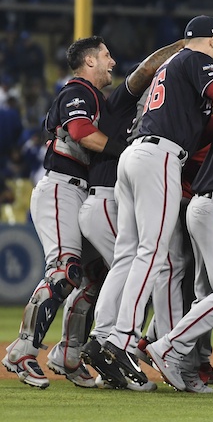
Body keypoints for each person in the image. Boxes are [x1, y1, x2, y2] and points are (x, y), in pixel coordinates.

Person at [98, 15, 213, 386]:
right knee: (152, 250)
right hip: (158, 157)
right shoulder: (196, 58)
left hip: (136, 155)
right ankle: (122, 340)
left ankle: (104, 335)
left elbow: (204, 127)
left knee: (129, 252)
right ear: (211, 41)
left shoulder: (172, 66)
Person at [2, 36, 127, 389]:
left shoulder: (96, 97)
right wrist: (123, 149)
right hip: (61, 186)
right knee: (64, 271)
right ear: (89, 61)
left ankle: (69, 354)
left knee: (93, 274)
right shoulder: (78, 90)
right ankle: (21, 352)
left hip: (78, 191)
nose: (112, 62)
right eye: (106, 55)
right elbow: (81, 132)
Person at [76, 39, 186, 392]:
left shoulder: (148, 111)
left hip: (111, 194)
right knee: (152, 261)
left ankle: (103, 340)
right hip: (107, 197)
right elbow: (145, 71)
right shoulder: (123, 101)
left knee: (131, 262)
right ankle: (119, 341)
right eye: (105, 55)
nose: (112, 61)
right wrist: (185, 45)